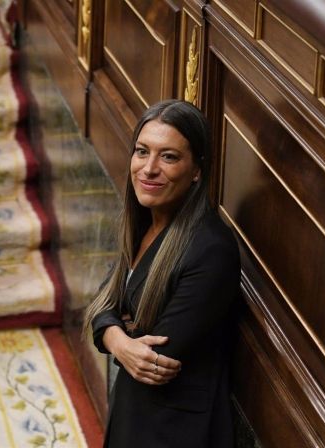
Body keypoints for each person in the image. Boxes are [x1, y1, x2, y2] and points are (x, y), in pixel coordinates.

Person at [84, 100, 240, 447]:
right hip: (134, 412)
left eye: (168, 157)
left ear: (196, 170)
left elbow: (154, 358)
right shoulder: (144, 221)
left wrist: (116, 330)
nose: (149, 168)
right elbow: (103, 302)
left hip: (173, 430)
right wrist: (119, 339)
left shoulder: (210, 249)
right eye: (142, 152)